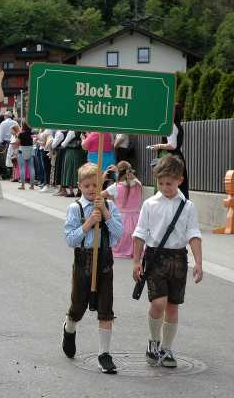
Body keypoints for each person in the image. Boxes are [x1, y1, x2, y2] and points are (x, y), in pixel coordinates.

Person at [132, 155, 203, 368]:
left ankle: (167, 348)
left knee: (172, 306)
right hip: (155, 257)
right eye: (160, 183)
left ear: (180, 180)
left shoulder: (188, 206)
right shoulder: (150, 204)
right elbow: (140, 234)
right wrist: (136, 261)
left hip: (179, 258)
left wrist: (198, 263)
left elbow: (194, 235)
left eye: (169, 183)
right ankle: (153, 342)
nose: (164, 187)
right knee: (158, 303)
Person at [62, 163, 123, 374]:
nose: (91, 189)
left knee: (106, 309)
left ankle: (104, 354)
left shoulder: (109, 206)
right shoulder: (75, 208)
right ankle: (69, 328)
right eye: (87, 185)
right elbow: (70, 239)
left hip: (105, 261)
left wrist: (105, 213)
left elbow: (118, 234)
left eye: (95, 185)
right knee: (78, 305)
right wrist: (88, 223)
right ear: (80, 186)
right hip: (83, 261)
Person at [102, 161, 142, 258]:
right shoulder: (138, 184)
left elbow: (99, 195)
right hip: (136, 219)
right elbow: (134, 179)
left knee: (119, 237)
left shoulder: (115, 187)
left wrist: (103, 179)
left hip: (121, 219)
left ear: (118, 173)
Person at [149, 103, 189, 199]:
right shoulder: (178, 125)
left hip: (170, 158)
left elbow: (172, 145)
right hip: (176, 156)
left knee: (168, 181)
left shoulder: (172, 125)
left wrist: (158, 146)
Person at [61, 131, 86, 198]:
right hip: (81, 153)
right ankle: (79, 191)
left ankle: (71, 191)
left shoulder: (71, 132)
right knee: (79, 172)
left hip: (71, 153)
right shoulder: (83, 132)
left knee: (70, 171)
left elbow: (64, 144)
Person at [16, 125, 35, 190]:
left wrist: (17, 136)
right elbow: (34, 141)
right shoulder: (32, 133)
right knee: (31, 167)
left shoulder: (20, 134)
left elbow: (17, 143)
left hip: (22, 150)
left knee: (22, 168)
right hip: (30, 150)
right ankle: (32, 185)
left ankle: (23, 185)